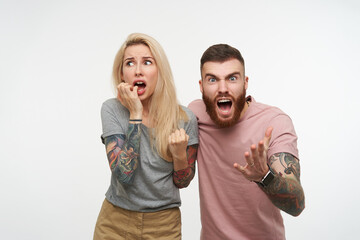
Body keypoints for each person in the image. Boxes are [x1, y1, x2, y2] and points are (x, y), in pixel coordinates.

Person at [188, 44, 305, 240]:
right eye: (212, 79)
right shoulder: (195, 115)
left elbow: (297, 205)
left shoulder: (274, 122)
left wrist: (265, 177)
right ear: (201, 86)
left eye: (232, 78)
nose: (222, 89)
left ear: (245, 83)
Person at [93, 33, 198, 240]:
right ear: (122, 73)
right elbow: (124, 175)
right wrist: (136, 115)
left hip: (164, 225)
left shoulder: (185, 118)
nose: (138, 70)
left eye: (147, 62)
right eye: (130, 63)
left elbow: (183, 182)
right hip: (115, 221)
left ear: (159, 71)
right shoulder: (111, 109)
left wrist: (178, 154)